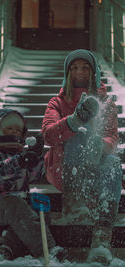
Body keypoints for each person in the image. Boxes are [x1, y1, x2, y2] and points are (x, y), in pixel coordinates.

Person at [42, 49, 122, 265]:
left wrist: (100, 146)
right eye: (74, 68)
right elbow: (48, 136)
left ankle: (101, 239)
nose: (80, 72)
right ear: (67, 73)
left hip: (96, 167)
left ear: (93, 72)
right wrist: (74, 122)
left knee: (114, 163)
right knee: (80, 135)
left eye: (85, 67)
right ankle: (74, 203)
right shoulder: (56, 103)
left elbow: (112, 139)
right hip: (64, 167)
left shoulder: (107, 103)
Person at [0, 108, 56, 261]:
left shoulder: (19, 154)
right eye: (9, 128)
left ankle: (7, 245)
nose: (13, 132)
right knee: (15, 206)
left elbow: (33, 176)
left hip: (20, 203)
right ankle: (49, 250)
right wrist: (19, 161)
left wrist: (36, 157)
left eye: (17, 130)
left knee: (39, 210)